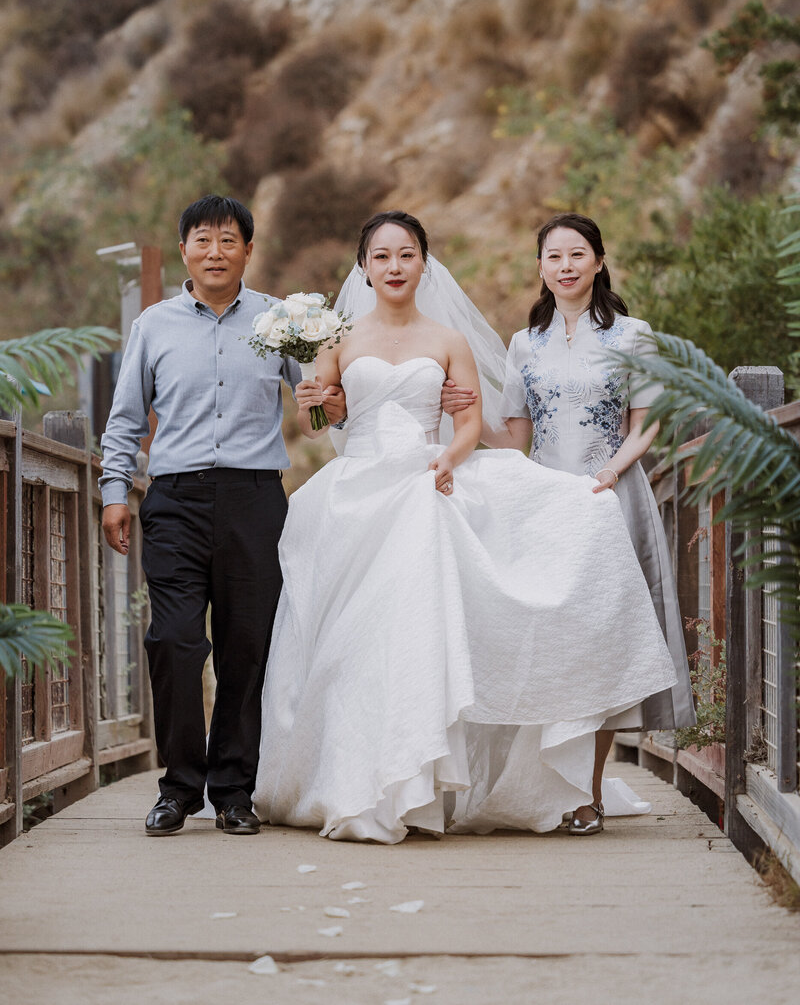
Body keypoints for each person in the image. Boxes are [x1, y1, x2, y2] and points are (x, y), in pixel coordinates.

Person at [253, 210, 678, 843]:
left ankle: (578, 791)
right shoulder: (515, 343)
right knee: (355, 639)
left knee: (571, 629)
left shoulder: (474, 338)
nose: (395, 266)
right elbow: (345, 422)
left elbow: (632, 421)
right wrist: (323, 406)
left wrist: (456, 449)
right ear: (363, 268)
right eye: (381, 256)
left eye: (406, 255)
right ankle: (353, 773)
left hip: (574, 493)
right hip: (370, 492)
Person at [100, 194, 344, 836]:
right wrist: (112, 492)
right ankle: (179, 787)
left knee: (247, 648)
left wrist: (326, 396)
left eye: (228, 240)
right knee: (174, 642)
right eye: (203, 240)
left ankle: (235, 789)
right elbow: (125, 419)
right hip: (174, 500)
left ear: (248, 250)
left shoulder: (278, 319)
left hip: (255, 500)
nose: (215, 251)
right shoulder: (154, 324)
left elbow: (318, 410)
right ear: (184, 249)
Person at [445, 211, 695, 835]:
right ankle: (544, 785)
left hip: (611, 499)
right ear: (540, 268)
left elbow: (650, 423)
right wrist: (456, 411)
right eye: (554, 256)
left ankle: (587, 794)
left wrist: (609, 473)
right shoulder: (524, 343)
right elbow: (515, 436)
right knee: (551, 642)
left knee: (599, 645)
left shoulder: (635, 335)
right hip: (546, 508)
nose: (566, 265)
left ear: (600, 261)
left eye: (577, 254)